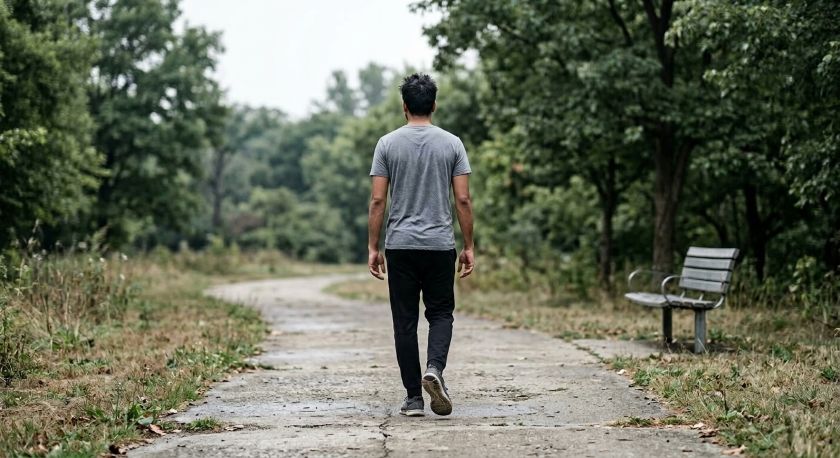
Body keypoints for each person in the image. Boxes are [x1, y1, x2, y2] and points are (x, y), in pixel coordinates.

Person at [367, 73, 474, 417]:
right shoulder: (452, 144)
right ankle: (435, 369)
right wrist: (469, 245)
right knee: (441, 313)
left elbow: (378, 202)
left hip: (400, 245)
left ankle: (414, 398)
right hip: (440, 245)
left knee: (405, 321)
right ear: (434, 104)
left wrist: (373, 247)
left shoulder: (387, 144)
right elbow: (463, 199)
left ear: (404, 107)